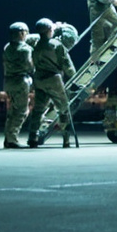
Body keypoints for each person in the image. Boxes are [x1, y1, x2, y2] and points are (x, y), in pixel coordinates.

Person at [27, 17, 76, 148]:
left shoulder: (35, 45)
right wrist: (74, 78)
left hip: (39, 79)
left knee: (38, 109)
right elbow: (67, 64)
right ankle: (66, 138)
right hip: (54, 80)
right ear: (49, 30)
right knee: (63, 108)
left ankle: (32, 136)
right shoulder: (56, 45)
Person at [1, 22, 34, 148]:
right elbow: (30, 66)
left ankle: (8, 137)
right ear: (21, 33)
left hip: (8, 81)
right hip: (21, 82)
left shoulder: (7, 47)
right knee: (21, 111)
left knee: (12, 111)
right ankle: (12, 138)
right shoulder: (26, 49)